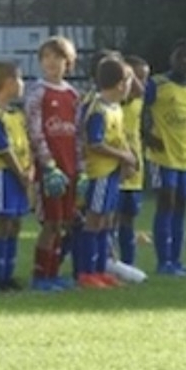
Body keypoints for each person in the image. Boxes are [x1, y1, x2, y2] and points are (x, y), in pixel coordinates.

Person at [24, 36, 81, 292]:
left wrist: (82, 168)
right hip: (50, 171)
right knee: (50, 223)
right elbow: (35, 130)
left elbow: (77, 135)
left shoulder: (72, 95)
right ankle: (40, 276)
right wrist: (47, 164)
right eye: (46, 57)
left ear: (68, 63)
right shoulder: (38, 92)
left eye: (57, 57)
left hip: (70, 169)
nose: (51, 62)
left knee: (64, 222)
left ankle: (54, 272)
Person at [77, 56, 137, 289]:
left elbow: (119, 139)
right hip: (99, 174)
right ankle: (86, 273)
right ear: (121, 84)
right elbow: (95, 143)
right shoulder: (99, 110)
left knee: (106, 221)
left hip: (112, 174)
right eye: (130, 81)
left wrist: (129, 159)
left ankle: (101, 270)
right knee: (94, 220)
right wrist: (123, 157)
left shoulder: (116, 109)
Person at [144, 38, 186, 276]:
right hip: (162, 155)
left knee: (181, 206)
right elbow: (137, 111)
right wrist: (146, 136)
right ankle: (163, 262)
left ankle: (177, 261)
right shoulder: (157, 84)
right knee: (165, 203)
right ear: (172, 58)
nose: (184, 61)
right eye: (180, 56)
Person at [0, 62, 32, 291]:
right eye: (19, 79)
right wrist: (20, 172)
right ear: (8, 83)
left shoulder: (16, 114)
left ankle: (9, 273)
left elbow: (24, 145)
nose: (22, 84)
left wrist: (30, 169)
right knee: (4, 222)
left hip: (19, 175)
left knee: (16, 223)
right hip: (2, 174)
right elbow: (2, 148)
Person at [116, 55, 150, 267]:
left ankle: (128, 263)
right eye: (135, 77)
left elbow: (140, 91)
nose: (140, 83)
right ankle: (105, 262)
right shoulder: (113, 100)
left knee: (129, 218)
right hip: (116, 165)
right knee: (107, 219)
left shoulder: (138, 99)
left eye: (144, 78)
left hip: (135, 167)